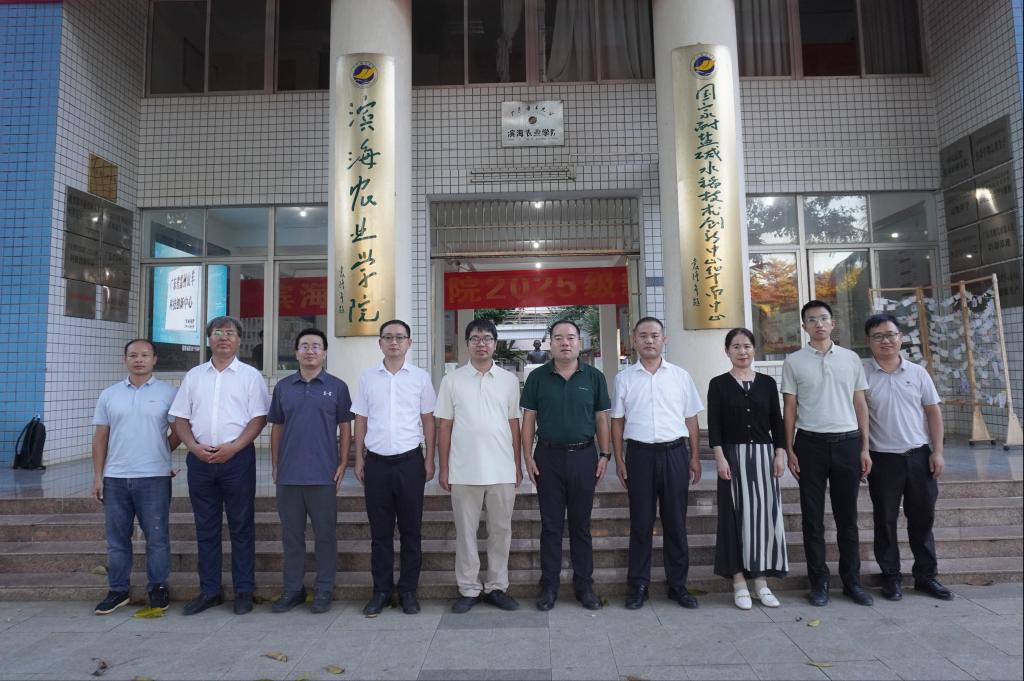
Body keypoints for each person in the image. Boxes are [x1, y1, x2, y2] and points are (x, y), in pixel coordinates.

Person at [170, 316, 269, 615]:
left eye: (230, 333)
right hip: (200, 460)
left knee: (241, 526)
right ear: (208, 339)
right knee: (206, 527)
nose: (223, 337)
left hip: (237, 460)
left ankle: (244, 590)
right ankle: (209, 590)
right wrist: (193, 447)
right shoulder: (194, 376)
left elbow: (259, 418)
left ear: (239, 340)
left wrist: (234, 448)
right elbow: (180, 419)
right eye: (217, 332)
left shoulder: (250, 376)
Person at [782, 300, 873, 607]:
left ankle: (852, 582)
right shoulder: (794, 361)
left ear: (833, 323)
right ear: (804, 327)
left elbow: (860, 404)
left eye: (823, 318)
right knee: (812, 520)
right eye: (812, 320)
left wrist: (864, 447)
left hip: (847, 443)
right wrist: (790, 448)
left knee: (848, 518)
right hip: (810, 445)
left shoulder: (851, 359)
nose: (818, 324)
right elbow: (790, 408)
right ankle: (818, 583)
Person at [611, 317, 703, 610]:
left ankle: (678, 585)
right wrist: (619, 459)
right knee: (641, 523)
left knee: (676, 522)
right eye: (643, 336)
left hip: (675, 454)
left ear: (664, 339)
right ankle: (639, 585)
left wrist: (694, 455)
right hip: (639, 456)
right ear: (634, 341)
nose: (649, 340)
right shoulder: (624, 378)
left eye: (654, 335)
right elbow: (617, 421)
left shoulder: (680, 376)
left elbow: (691, 418)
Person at [521, 319, 611, 611]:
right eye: (558, 338)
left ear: (579, 343)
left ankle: (584, 586)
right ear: (550, 343)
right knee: (551, 526)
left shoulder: (594, 377)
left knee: (581, 525)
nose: (565, 342)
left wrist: (605, 454)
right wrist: (527, 456)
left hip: (584, 457)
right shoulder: (538, 377)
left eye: (570, 337)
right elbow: (529, 419)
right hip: (548, 457)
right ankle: (549, 586)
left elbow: (602, 418)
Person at [863, 314, 952, 601]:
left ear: (900, 337)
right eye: (878, 336)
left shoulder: (918, 373)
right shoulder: (862, 374)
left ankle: (926, 576)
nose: (886, 341)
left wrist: (938, 451)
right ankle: (891, 577)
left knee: (922, 518)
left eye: (891, 334)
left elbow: (933, 412)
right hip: (882, 459)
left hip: (919, 457)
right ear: (869, 341)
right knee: (885, 520)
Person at [436, 318, 522, 614]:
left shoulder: (509, 381)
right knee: (466, 533)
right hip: (463, 470)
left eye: (487, 338)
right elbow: (444, 426)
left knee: (501, 531)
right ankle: (469, 588)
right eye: (475, 338)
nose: (481, 344)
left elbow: (514, 425)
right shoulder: (452, 380)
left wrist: (517, 465)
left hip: (502, 469)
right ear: (467, 344)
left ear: (495, 343)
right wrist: (444, 468)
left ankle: (497, 587)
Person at [352, 319, 436, 616]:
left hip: (410, 463)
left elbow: (428, 420)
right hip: (376, 464)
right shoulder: (367, 377)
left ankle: (408, 591)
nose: (394, 342)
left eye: (400, 337)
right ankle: (381, 591)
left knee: (412, 531)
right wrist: (359, 458)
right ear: (380, 343)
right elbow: (360, 419)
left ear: (409, 343)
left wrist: (429, 459)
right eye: (388, 337)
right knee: (380, 533)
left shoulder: (420, 378)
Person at [91, 339, 179, 615]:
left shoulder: (169, 393)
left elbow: (179, 432)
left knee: (157, 537)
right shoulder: (110, 395)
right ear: (125, 359)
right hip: (115, 478)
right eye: (133, 355)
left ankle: (158, 587)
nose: (138, 360)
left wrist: (160, 452)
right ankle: (118, 590)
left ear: (154, 359)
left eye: (144, 355)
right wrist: (98, 476)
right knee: (117, 540)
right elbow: (100, 437)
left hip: (154, 477)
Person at [267, 328, 353, 614]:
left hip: (323, 475)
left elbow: (345, 427)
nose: (310, 350)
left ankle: (324, 589)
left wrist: (342, 462)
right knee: (292, 536)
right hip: (289, 475)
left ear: (325, 353)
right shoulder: (283, 387)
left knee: (325, 535)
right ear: (296, 352)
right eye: (304, 346)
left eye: (316, 346)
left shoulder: (337, 387)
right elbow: (277, 427)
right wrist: (276, 464)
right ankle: (293, 589)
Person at [708, 328, 788, 610]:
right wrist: (720, 458)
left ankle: (761, 582)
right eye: (736, 347)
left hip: (764, 458)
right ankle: (739, 581)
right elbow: (714, 426)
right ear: (727, 351)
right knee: (734, 519)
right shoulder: (718, 384)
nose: (742, 352)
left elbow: (777, 422)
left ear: (754, 349)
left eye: (747, 346)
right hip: (732, 457)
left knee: (763, 519)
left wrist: (780, 454)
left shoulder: (767, 383)